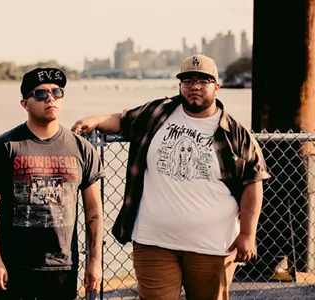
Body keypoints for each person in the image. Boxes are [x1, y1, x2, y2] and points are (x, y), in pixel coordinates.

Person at [71, 54, 271, 300]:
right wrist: (96, 120)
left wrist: (248, 234)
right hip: (153, 242)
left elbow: (253, 182)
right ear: (180, 85)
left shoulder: (235, 133)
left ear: (217, 87)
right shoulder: (158, 112)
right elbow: (122, 120)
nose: (194, 86)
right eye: (188, 81)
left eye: (203, 81)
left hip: (213, 246)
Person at [0, 67, 105, 300]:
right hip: (15, 268)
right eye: (41, 94)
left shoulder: (82, 149)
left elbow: (94, 209)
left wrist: (95, 262)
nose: (50, 98)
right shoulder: (6, 147)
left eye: (57, 92)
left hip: (63, 267)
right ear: (25, 104)